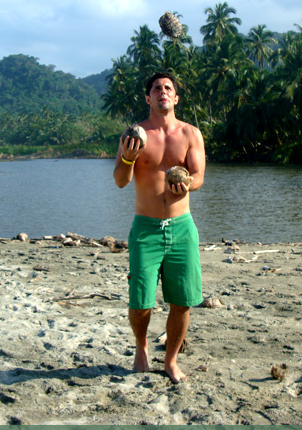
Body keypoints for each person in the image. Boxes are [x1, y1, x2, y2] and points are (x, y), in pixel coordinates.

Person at [113, 72, 206, 383]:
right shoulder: (135, 135)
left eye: (168, 88)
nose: (163, 91)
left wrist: (187, 185)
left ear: (176, 98)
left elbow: (199, 177)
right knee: (140, 301)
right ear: (148, 98)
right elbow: (120, 181)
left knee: (182, 301)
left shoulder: (191, 134)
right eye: (156, 88)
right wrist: (128, 159)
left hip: (182, 228)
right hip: (146, 229)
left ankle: (170, 360)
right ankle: (141, 347)